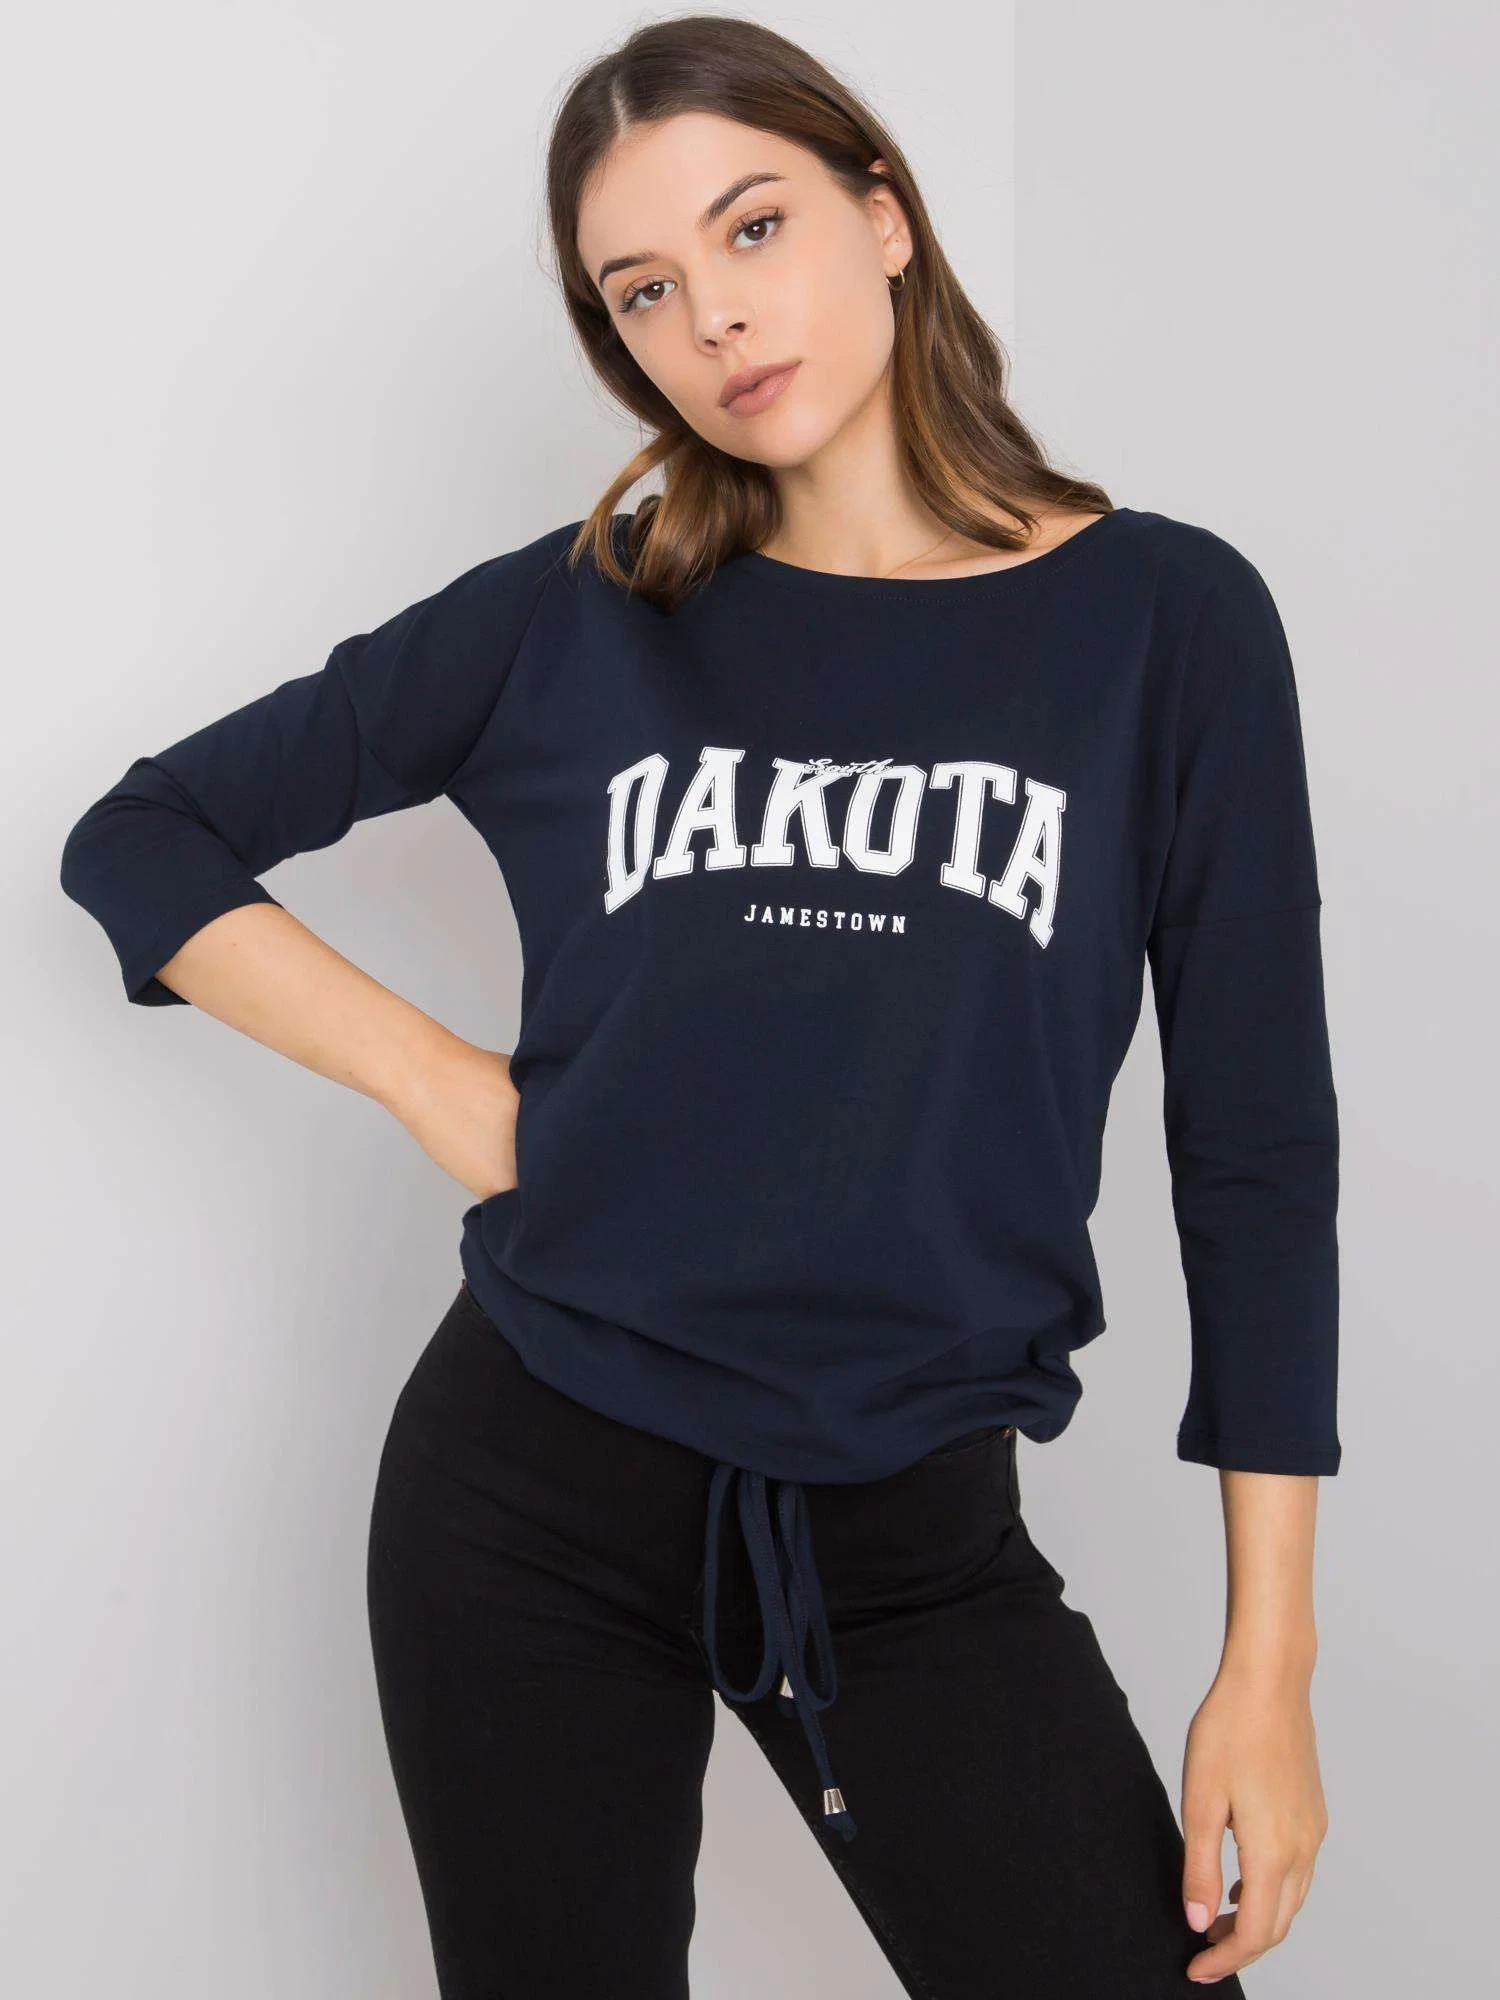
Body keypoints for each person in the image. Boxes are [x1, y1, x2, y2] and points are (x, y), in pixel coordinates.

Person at [58, 16, 1339, 1998]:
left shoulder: (1165, 623)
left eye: (752, 229)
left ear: (884, 215)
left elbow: (1253, 1145)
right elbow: (145, 835)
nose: (712, 318)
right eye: (641, 289)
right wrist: (440, 1083)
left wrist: (1271, 1661)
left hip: (913, 1542)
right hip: (526, 1498)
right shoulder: (587, 605)